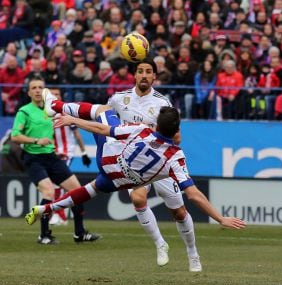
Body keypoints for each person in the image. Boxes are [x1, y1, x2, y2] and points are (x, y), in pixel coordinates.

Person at [50, 60, 205, 272]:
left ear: (154, 77)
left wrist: (150, 132)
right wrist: (69, 114)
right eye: (140, 71)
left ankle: (192, 252)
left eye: (148, 72)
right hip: (133, 163)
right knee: (137, 197)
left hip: (160, 163)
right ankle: (160, 244)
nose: (144, 75)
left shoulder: (163, 103)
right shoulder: (119, 99)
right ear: (134, 75)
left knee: (178, 212)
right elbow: (100, 116)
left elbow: (176, 137)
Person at [25, 102, 246, 235]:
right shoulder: (175, 157)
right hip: (123, 181)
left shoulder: (142, 130)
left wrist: (74, 120)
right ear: (176, 129)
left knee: (104, 111)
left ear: (157, 125)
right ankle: (47, 209)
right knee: (91, 189)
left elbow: (103, 129)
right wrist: (220, 218)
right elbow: (194, 195)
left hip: (110, 163)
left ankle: (55, 105)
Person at [10, 76, 100, 245]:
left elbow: (70, 126)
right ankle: (44, 235)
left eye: (40, 87)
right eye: (34, 88)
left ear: (45, 91)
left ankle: (79, 234)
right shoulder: (24, 111)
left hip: (51, 156)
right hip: (33, 158)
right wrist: (36, 141)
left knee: (78, 192)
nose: (37, 90)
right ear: (29, 92)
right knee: (49, 192)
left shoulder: (50, 110)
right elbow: (15, 136)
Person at [49, 88, 92, 226]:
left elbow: (77, 134)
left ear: (61, 96)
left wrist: (84, 152)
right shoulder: (45, 113)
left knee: (58, 183)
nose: (55, 96)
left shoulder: (66, 112)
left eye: (57, 94)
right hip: (52, 153)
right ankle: (62, 214)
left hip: (66, 152)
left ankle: (59, 215)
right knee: (57, 184)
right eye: (52, 95)